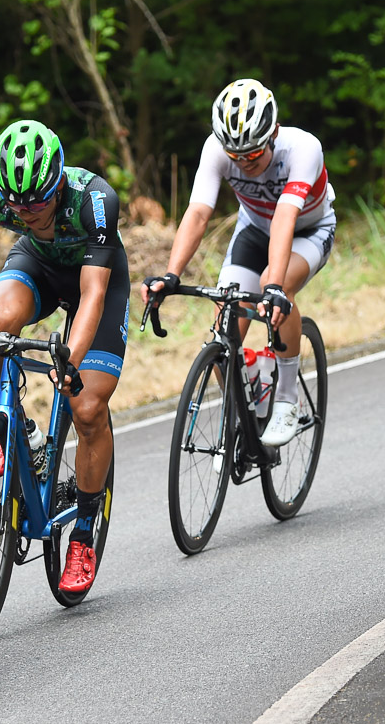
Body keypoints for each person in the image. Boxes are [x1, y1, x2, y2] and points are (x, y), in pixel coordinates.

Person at [0, 119, 128, 595]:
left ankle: (86, 531)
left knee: (87, 408)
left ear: (57, 184)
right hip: (39, 266)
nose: (27, 212)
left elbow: (92, 293)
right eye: (17, 205)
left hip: (96, 282)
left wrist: (71, 358)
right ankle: (15, 424)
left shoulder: (94, 200)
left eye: (39, 202)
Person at [139, 78, 336, 447]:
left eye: (253, 155)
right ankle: (251, 395)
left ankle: (286, 398)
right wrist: (171, 274)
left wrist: (275, 287)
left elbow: (285, 218)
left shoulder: (303, 148)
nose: (244, 163)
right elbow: (198, 213)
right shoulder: (216, 148)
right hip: (254, 229)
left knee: (274, 287)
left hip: (307, 230)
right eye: (236, 157)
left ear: (273, 134)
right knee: (223, 330)